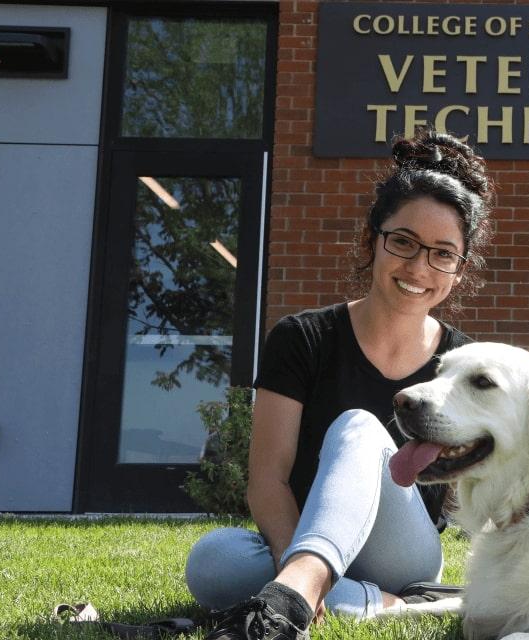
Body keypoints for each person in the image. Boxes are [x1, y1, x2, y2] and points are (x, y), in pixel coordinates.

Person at [185, 128, 495, 640]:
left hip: (405, 552)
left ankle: (297, 593)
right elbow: (268, 480)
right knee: (213, 561)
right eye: (403, 242)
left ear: (459, 271)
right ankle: (379, 604)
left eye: (442, 253)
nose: (419, 266)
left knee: (358, 428)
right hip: (305, 537)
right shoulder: (301, 338)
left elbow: (470, 492)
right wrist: (292, 561)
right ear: (372, 240)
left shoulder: (461, 362)